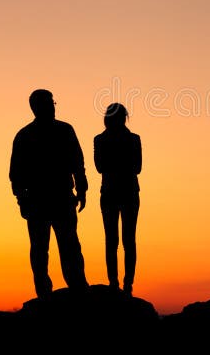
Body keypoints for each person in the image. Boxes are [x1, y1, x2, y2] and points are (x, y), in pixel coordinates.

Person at [9, 89, 90, 298]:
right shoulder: (25, 136)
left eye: (53, 103)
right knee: (42, 250)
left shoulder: (62, 130)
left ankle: (77, 289)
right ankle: (47, 294)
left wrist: (81, 189)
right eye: (49, 103)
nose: (52, 107)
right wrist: (22, 200)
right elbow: (15, 174)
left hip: (61, 198)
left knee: (68, 246)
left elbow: (77, 163)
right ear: (36, 107)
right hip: (39, 201)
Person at [93, 102, 142, 295]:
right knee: (122, 240)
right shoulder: (130, 140)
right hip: (121, 192)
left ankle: (123, 283)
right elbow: (135, 167)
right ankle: (118, 283)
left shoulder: (101, 140)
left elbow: (101, 167)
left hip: (117, 192)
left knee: (119, 240)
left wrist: (113, 164)